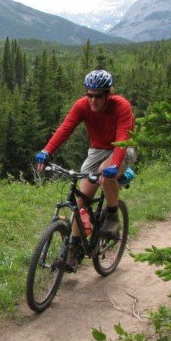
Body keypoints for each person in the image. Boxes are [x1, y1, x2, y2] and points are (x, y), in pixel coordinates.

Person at [35, 69, 135, 238]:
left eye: (98, 96)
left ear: (108, 94)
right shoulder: (82, 105)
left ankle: (112, 214)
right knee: (80, 202)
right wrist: (47, 151)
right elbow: (65, 128)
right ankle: (75, 246)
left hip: (123, 148)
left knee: (106, 170)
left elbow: (123, 139)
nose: (93, 100)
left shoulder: (121, 106)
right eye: (90, 95)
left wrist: (115, 165)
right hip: (97, 150)